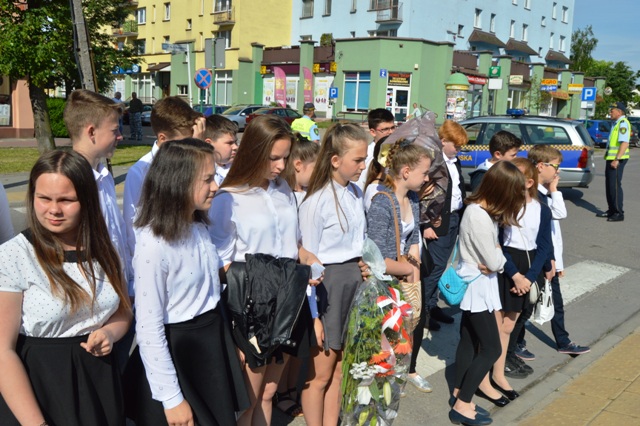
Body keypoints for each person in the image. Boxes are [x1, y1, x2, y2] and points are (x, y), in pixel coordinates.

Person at [0, 149, 132, 425]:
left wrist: (109, 333)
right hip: (39, 391)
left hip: (99, 384)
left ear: (87, 199)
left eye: (66, 200)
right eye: (44, 198)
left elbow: (123, 311)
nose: (53, 210)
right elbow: (2, 351)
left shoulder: (105, 249)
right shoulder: (14, 255)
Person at [209, 115, 320, 426]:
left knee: (268, 394)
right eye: (273, 158)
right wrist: (260, 282)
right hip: (251, 308)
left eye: (285, 157)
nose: (281, 166)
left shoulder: (283, 189)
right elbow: (216, 261)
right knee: (248, 400)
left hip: (288, 302)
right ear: (254, 152)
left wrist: (305, 257)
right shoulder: (228, 198)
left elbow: (292, 243)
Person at [127, 139, 246, 426]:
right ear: (178, 182)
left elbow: (210, 292)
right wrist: (171, 398)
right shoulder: (154, 245)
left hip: (210, 343)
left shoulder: (197, 226)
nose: (215, 186)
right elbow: (148, 327)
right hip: (180, 353)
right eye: (207, 180)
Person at [299, 123, 369, 426]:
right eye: (358, 160)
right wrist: (314, 315)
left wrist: (365, 264)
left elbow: (358, 242)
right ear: (336, 160)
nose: (363, 166)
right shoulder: (316, 201)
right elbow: (308, 262)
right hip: (328, 288)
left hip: (353, 283)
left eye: (364, 159)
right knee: (320, 374)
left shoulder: (355, 192)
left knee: (341, 367)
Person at [450, 160, 526, 426]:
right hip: (477, 288)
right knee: (491, 348)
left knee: (470, 342)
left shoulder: (482, 211)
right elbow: (494, 261)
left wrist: (495, 256)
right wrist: (496, 256)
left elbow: (495, 257)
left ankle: (459, 394)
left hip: (480, 285)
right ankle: (462, 404)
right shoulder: (479, 216)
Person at [366, 140, 432, 388]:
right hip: (387, 283)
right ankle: (384, 385)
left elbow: (413, 238)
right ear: (406, 171)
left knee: (407, 330)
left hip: (405, 277)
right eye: (424, 173)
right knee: (386, 338)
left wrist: (414, 277)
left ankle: (398, 377)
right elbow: (377, 259)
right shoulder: (382, 202)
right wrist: (408, 270)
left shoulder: (412, 198)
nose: (427, 178)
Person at [64, 89, 133, 300]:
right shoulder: (69, 184)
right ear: (91, 132)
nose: (120, 136)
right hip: (94, 300)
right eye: (114, 130)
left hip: (120, 295)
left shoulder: (104, 176)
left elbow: (117, 238)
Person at [491, 158, 553, 392]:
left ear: (528, 182)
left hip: (529, 268)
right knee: (498, 324)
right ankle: (494, 366)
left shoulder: (542, 209)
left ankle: (502, 364)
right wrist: (514, 275)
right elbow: (498, 244)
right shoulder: (505, 206)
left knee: (512, 323)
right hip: (507, 266)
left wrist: (530, 277)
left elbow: (544, 245)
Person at [526, 145, 590, 356]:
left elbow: (555, 226)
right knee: (527, 305)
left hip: (549, 258)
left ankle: (563, 341)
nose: (558, 171)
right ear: (540, 166)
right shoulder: (535, 194)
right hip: (538, 258)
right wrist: (554, 189)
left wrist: (555, 261)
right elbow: (559, 214)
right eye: (555, 166)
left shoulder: (543, 192)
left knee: (555, 302)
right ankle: (516, 345)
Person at [123, 96, 205, 257]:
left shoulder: (194, 161)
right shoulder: (141, 171)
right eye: (185, 142)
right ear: (163, 138)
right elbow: (133, 227)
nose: (189, 147)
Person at [275, 135, 321, 419]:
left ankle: (290, 389)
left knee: (298, 344)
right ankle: (281, 392)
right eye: (316, 168)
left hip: (306, 277)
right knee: (286, 343)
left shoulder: (308, 195)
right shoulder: (285, 196)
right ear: (299, 165)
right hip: (290, 279)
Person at [420, 120, 468, 335]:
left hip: (453, 218)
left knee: (442, 265)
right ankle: (423, 311)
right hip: (437, 221)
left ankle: (432, 305)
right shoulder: (434, 163)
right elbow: (423, 195)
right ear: (443, 141)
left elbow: (457, 189)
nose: (458, 149)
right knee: (435, 267)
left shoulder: (454, 162)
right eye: (455, 145)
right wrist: (426, 224)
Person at [597, 102, 630, 222]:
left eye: (612, 110)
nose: (610, 112)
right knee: (610, 186)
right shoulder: (616, 123)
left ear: (619, 112)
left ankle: (618, 213)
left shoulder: (623, 123)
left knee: (614, 186)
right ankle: (611, 210)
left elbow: (624, 143)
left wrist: (617, 159)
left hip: (617, 159)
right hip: (611, 158)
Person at [356, 108, 396, 190]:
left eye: (392, 128)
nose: (391, 132)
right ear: (373, 132)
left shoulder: (397, 151)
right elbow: (360, 186)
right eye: (385, 129)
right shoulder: (366, 156)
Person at [203, 114, 239, 186]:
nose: (236, 147)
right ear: (209, 144)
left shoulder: (240, 168)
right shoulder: (201, 173)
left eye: (235, 142)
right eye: (230, 143)